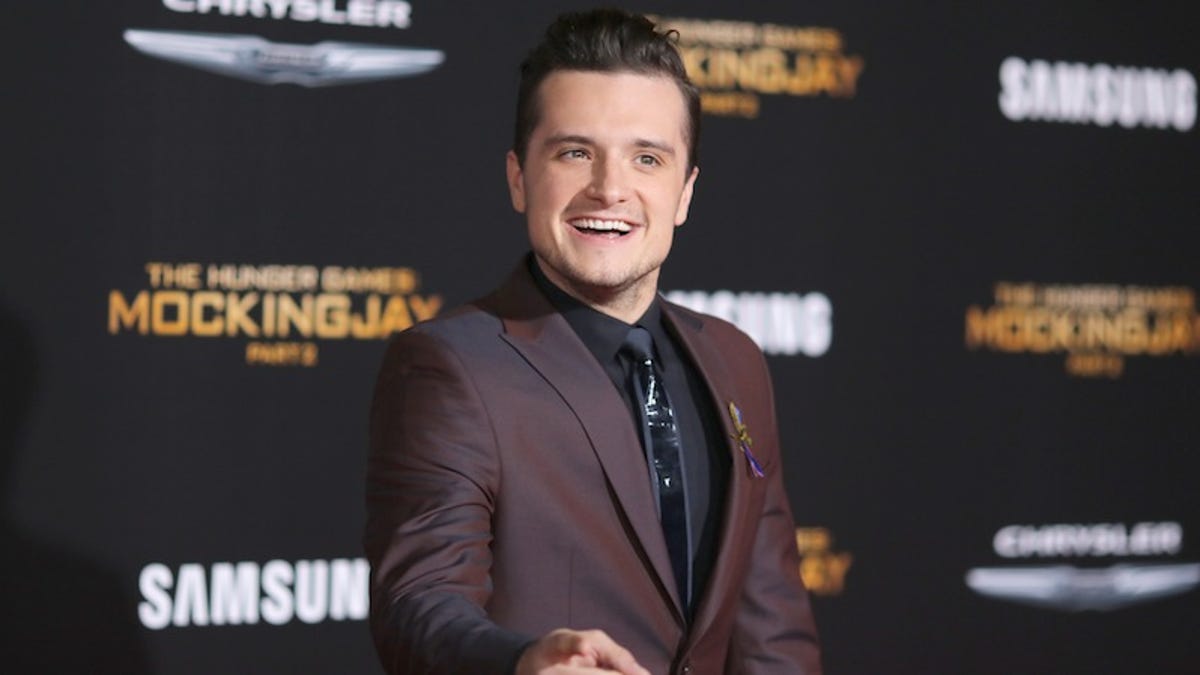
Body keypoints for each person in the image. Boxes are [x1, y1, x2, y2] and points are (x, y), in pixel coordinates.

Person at [365, 8, 821, 674]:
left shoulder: (735, 361)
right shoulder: (450, 365)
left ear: (685, 191)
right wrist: (523, 661)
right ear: (519, 177)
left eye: (647, 158)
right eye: (575, 152)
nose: (610, 189)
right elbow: (420, 606)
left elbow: (772, 632)